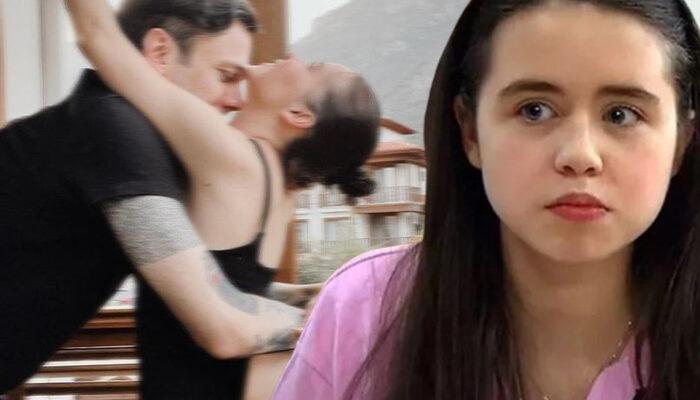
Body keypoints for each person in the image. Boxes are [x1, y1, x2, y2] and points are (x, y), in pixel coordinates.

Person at [273, 0, 700, 399]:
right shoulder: (365, 310)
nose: (580, 155)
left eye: (621, 114)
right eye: (535, 110)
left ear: (682, 140)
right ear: (470, 132)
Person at [63, 0, 381, 398]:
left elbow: (99, 38)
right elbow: (240, 282)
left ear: (299, 114)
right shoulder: (279, 188)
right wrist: (310, 300)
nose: (293, 57)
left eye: (311, 68)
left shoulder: (234, 158)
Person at [0, 0, 307, 395]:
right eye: (226, 76)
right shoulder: (114, 131)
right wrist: (325, 318)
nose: (237, 100)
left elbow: (208, 276)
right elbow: (221, 323)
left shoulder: (122, 131)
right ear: (160, 51)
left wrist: (312, 296)